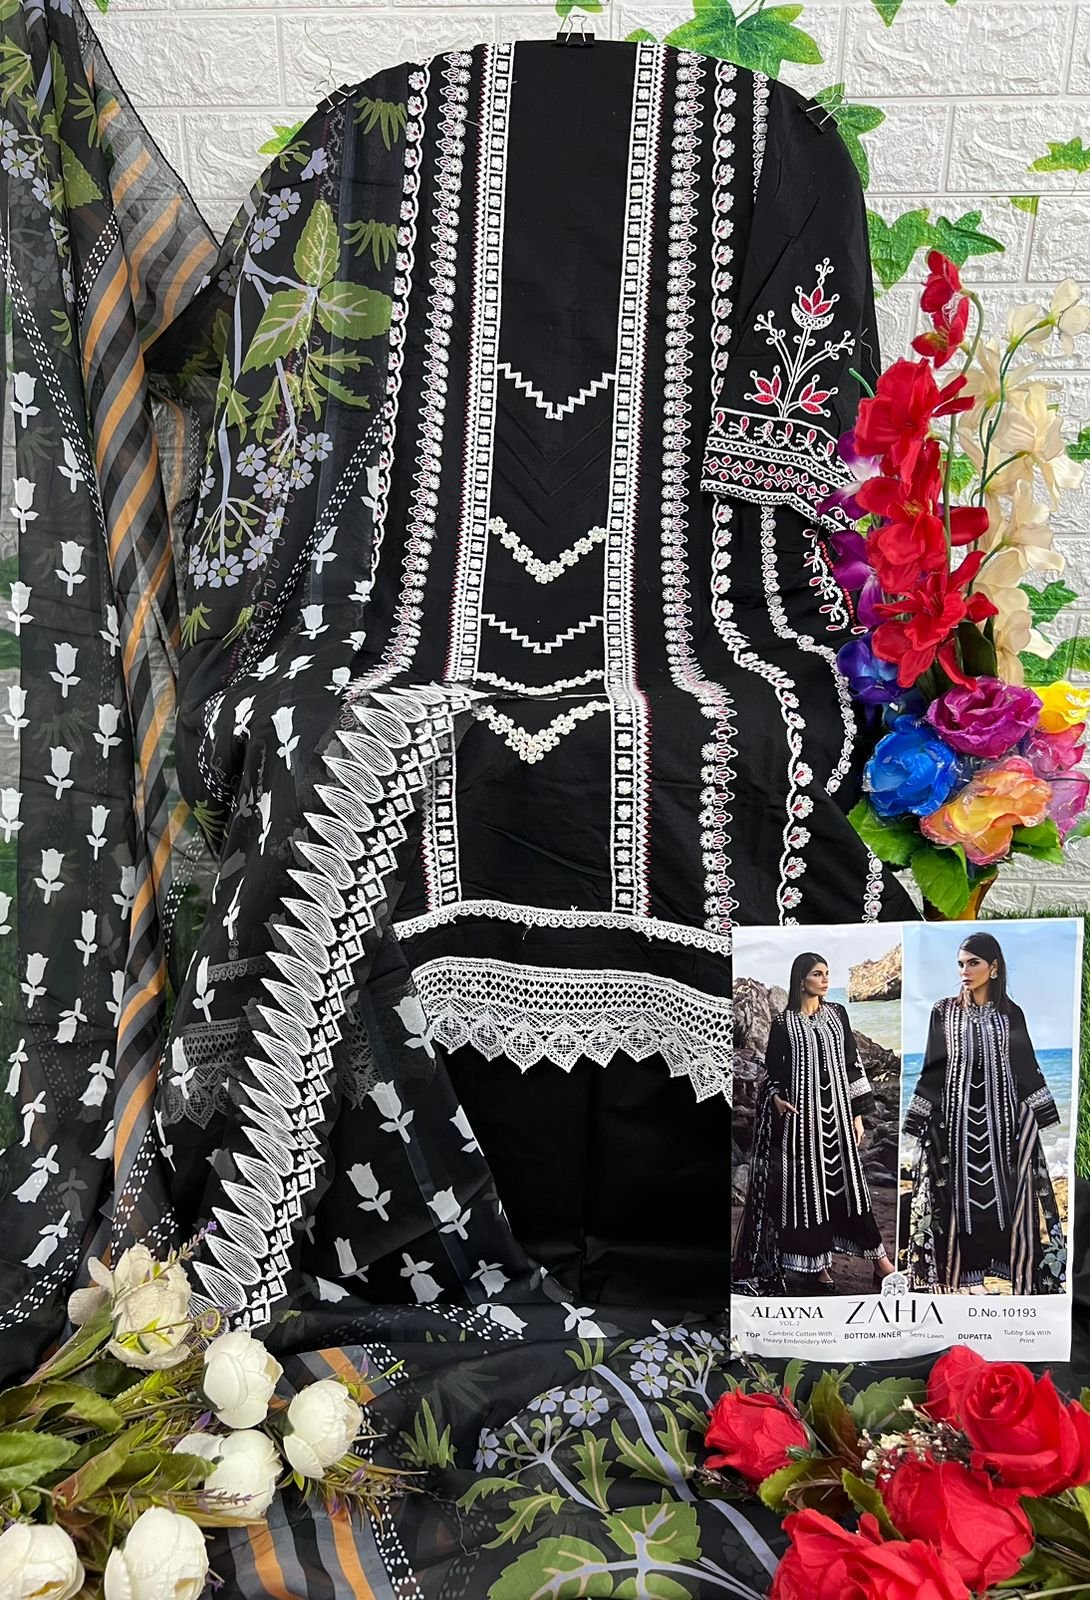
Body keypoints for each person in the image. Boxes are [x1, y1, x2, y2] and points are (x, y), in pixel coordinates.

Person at [903, 932, 1065, 1295]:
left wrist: (1042, 1118)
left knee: (1007, 1203)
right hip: (954, 1130)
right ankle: (964, 1280)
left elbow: (1025, 1067)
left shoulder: (1011, 1014)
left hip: (1003, 1131)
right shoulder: (943, 1012)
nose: (964, 971)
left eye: (973, 963)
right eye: (960, 964)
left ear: (993, 968)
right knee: (953, 1205)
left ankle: (1008, 1272)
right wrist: (917, 1121)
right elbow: (933, 1070)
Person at [733, 953, 896, 1293]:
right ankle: (818, 1266)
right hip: (800, 1124)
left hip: (839, 1118)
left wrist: (857, 1115)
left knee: (852, 1189)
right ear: (801, 980)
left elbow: (852, 1064)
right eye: (817, 974)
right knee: (808, 1194)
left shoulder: (837, 1014)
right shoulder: (783, 1024)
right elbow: (773, 1072)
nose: (825, 980)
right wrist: (776, 1097)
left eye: (827, 973)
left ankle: (881, 1262)